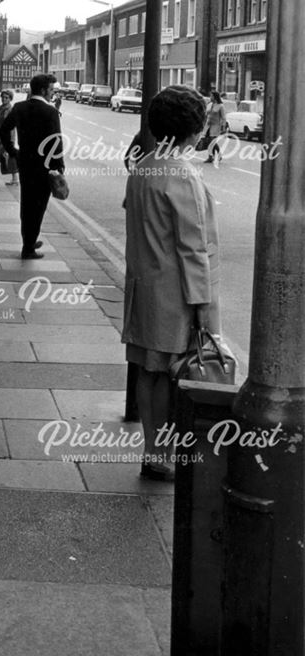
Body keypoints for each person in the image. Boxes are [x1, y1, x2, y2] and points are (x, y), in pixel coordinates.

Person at [122, 85, 220, 481]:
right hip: (175, 294)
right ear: (193, 129)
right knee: (173, 376)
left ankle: (153, 449)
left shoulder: (143, 167)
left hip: (143, 288)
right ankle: (165, 456)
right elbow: (194, 247)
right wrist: (203, 305)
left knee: (149, 372)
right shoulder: (182, 174)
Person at [0, 74, 64, 258]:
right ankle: (28, 248)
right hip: (44, 167)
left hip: (25, 163)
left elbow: (4, 129)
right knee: (39, 206)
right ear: (43, 90)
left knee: (27, 204)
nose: (52, 93)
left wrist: (13, 151)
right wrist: (59, 166)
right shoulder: (50, 112)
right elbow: (56, 141)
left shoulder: (19, 107)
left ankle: (28, 239)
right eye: (51, 90)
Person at [203, 89, 226, 164]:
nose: (210, 97)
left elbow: (223, 117)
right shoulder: (209, 105)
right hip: (208, 126)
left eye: (211, 96)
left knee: (212, 141)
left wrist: (223, 127)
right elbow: (206, 115)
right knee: (209, 141)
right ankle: (211, 156)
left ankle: (216, 155)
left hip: (216, 126)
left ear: (215, 97)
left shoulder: (220, 106)